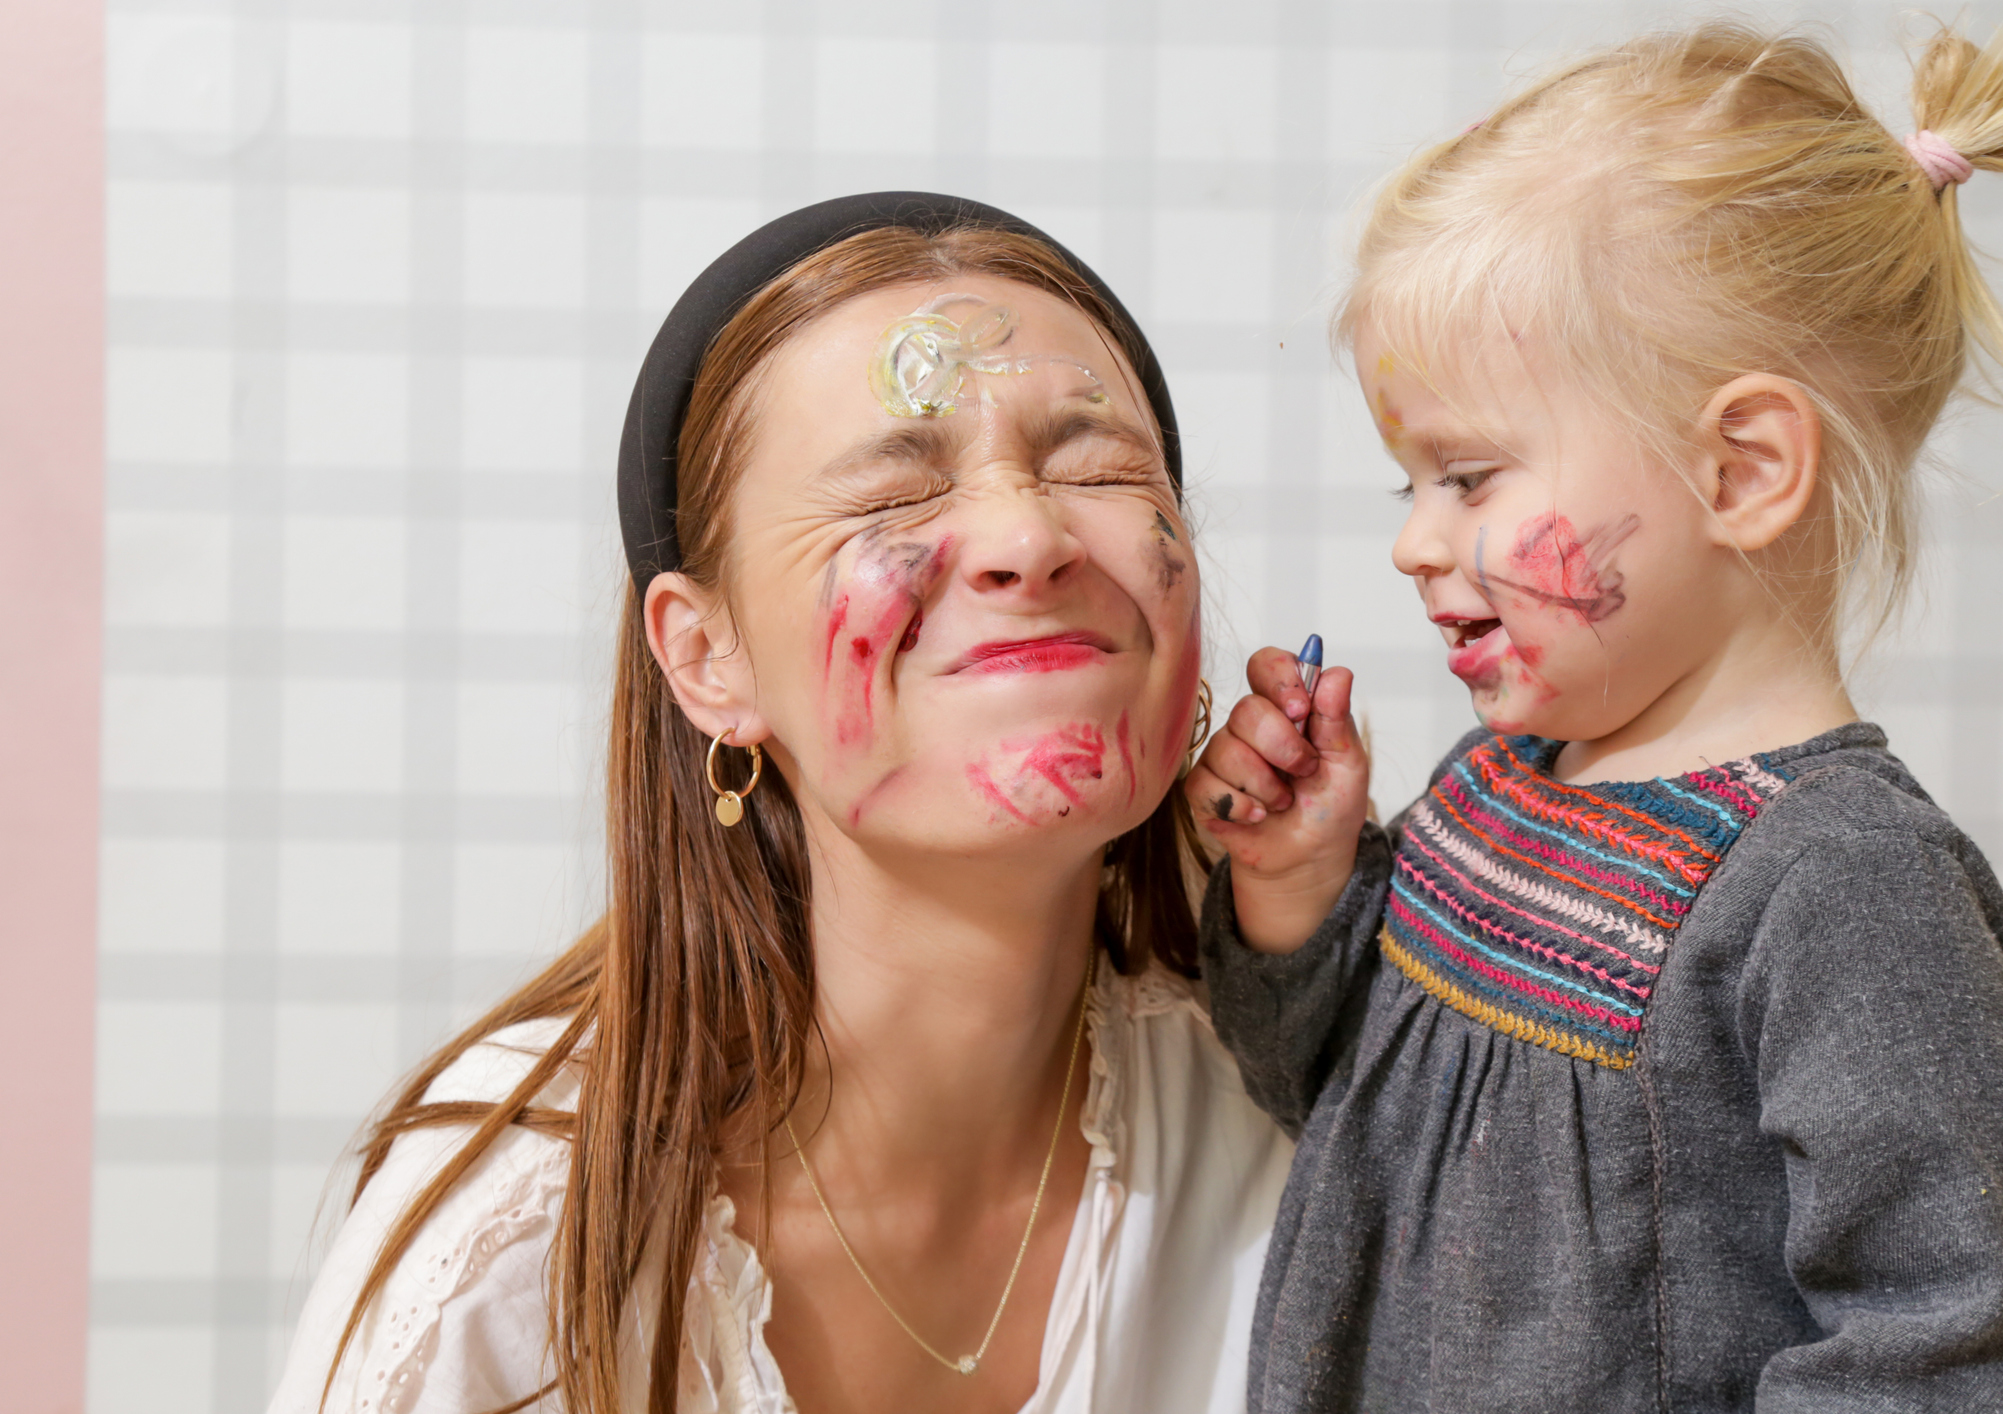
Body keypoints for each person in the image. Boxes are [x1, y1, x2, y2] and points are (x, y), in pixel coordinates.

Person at [1186, 20, 2003, 1412]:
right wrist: (1302, 884)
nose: (1416, 545)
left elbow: (1949, 1352)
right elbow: (1331, 1106)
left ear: (1740, 469)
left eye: (1469, 475)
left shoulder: (1843, 887)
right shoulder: (1499, 783)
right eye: (1408, 488)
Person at [269, 193, 1292, 1414]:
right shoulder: (514, 1253)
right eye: (893, 499)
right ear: (707, 658)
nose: (1027, 532)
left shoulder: (1295, 1132)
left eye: (1098, 467)